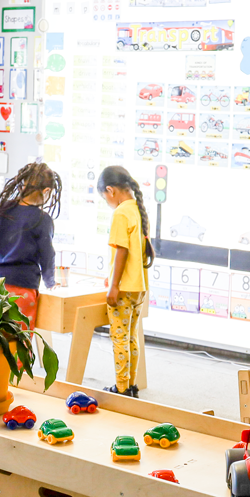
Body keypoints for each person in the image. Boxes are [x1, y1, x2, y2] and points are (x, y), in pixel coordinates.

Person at [0, 160, 61, 327]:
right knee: (19, 339)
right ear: (46, 191)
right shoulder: (42, 219)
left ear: (21, 185)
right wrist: (50, 282)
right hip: (23, 288)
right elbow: (47, 256)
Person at [98, 165, 153, 397]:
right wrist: (112, 277)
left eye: (105, 198)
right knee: (131, 337)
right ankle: (130, 386)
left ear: (110, 190)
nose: (107, 202)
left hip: (123, 289)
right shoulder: (137, 209)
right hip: (139, 287)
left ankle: (120, 388)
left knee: (119, 338)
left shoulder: (121, 212)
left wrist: (114, 284)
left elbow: (122, 251)